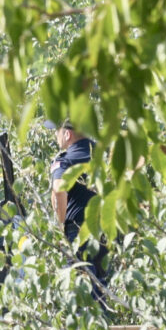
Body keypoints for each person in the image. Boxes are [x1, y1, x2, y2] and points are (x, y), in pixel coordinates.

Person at [45, 118, 110, 300]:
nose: (55, 136)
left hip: (79, 233)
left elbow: (59, 189)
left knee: (80, 294)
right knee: (100, 293)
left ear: (67, 134)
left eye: (57, 131)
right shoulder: (104, 155)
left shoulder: (65, 161)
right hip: (108, 232)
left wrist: (59, 227)